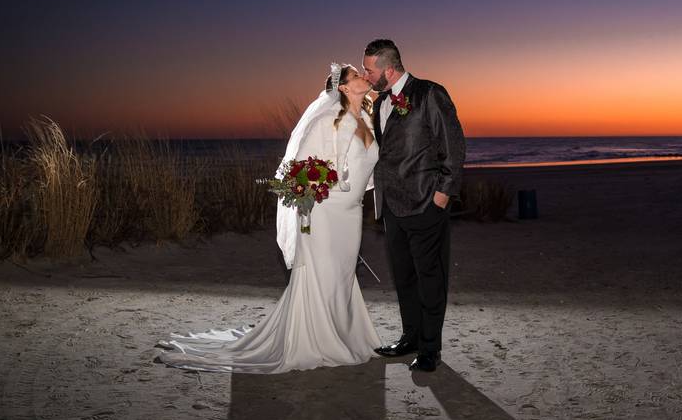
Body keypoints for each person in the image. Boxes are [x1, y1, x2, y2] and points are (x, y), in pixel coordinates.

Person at [155, 64, 382, 373]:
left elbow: (366, 168)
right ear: (343, 88)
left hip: (351, 213)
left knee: (342, 274)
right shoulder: (325, 120)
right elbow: (300, 167)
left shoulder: (367, 119)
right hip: (325, 212)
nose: (363, 78)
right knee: (322, 273)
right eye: (356, 76)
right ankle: (318, 340)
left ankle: (343, 333)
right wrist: (316, 183)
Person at [361, 39, 465, 372]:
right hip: (392, 206)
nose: (366, 75)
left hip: (425, 203)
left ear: (388, 70)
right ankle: (411, 338)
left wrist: (442, 195)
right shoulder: (379, 104)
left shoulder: (430, 94)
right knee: (404, 276)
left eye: (369, 69)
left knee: (430, 277)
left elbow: (454, 146)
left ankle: (431, 350)